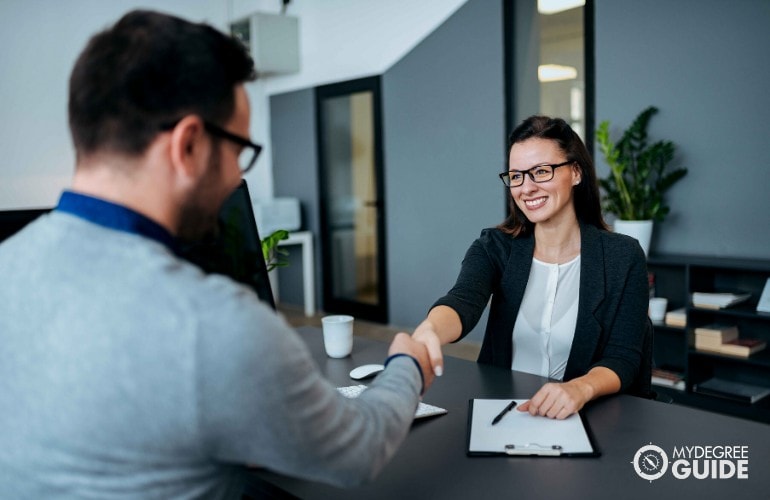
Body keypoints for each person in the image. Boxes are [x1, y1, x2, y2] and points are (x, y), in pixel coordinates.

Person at [0, 10, 433, 499]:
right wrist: (408, 365)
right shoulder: (208, 323)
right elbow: (358, 452)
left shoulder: (6, 267)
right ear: (187, 145)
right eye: (237, 151)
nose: (235, 177)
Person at [410, 115, 650, 420]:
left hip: (586, 414)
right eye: (516, 176)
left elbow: (624, 356)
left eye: (541, 171)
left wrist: (580, 388)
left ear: (576, 172)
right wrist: (429, 330)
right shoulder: (495, 246)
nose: (527, 187)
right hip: (504, 411)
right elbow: (463, 300)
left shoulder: (622, 255)